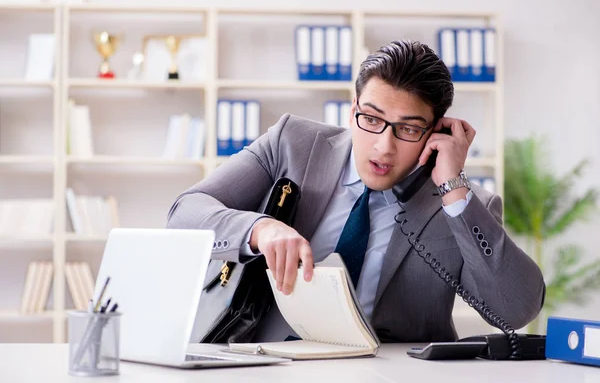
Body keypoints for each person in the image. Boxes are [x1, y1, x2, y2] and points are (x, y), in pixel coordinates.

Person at [166, 39, 545, 343]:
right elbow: (184, 213)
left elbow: (517, 308)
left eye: (409, 129)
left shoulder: (462, 204)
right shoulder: (292, 143)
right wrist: (260, 229)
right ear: (352, 111)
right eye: (372, 119)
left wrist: (453, 190)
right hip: (274, 364)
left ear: (436, 133)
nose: (384, 146)